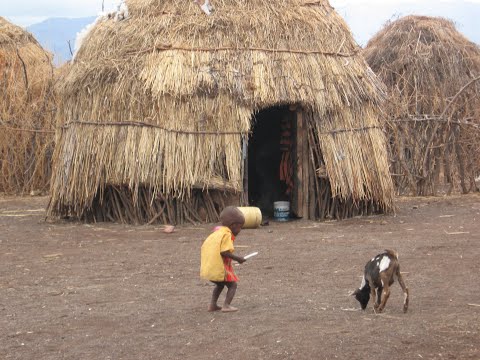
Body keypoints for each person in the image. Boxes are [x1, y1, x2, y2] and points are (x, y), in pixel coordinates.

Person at [200, 206, 246, 312]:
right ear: (233, 225)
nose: (240, 230)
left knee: (220, 285)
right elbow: (224, 252)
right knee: (233, 285)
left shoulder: (216, 232)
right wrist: (238, 258)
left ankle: (212, 305)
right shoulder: (226, 235)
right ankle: (226, 306)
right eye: (240, 227)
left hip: (209, 267)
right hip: (219, 268)